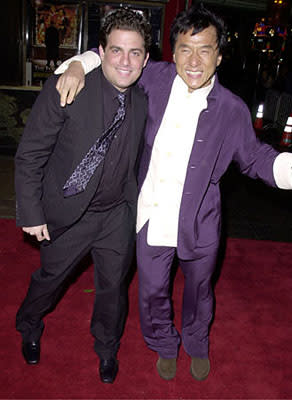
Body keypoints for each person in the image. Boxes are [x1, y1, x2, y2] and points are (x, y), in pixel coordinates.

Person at [54, 3, 292, 381]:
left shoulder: (231, 109)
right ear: (173, 52)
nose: (194, 60)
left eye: (205, 49)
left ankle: (197, 342)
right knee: (151, 292)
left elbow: (255, 159)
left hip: (200, 221)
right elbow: (120, 60)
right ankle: (164, 343)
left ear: (219, 54)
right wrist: (80, 63)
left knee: (200, 290)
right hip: (150, 213)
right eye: (185, 48)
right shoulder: (157, 78)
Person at [15, 8, 151, 384]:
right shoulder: (67, 87)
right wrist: (31, 211)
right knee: (49, 279)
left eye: (135, 52)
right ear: (102, 51)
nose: (125, 60)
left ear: (145, 57)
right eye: (116, 50)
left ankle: (107, 347)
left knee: (113, 289)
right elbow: (30, 154)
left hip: (116, 215)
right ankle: (28, 324)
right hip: (69, 210)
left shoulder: (143, 100)